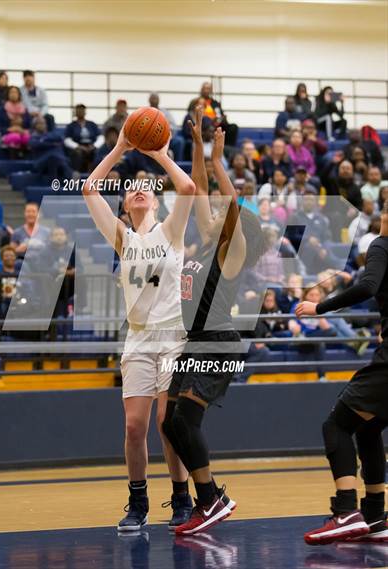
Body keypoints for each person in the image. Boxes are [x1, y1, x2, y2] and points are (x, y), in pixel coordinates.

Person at [82, 124, 196, 532]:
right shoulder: (122, 238)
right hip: (137, 336)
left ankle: (182, 497)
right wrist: (118, 148)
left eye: (146, 187)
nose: (139, 189)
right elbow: (89, 190)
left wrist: (160, 154)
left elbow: (188, 189)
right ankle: (138, 500)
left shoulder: (171, 232)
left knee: (168, 422)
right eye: (131, 189)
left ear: (156, 201)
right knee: (134, 427)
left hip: (171, 336)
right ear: (126, 205)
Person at [162, 111, 265, 535]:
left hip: (218, 342)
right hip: (194, 342)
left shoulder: (232, 252)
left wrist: (221, 164)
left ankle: (210, 500)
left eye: (226, 212)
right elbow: (199, 190)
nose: (217, 211)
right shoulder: (207, 243)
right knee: (170, 423)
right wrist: (199, 152)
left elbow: (226, 203)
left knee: (185, 418)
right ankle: (213, 499)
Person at [296, 199, 388, 545]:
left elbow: (367, 286)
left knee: (336, 424)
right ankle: (376, 517)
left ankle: (347, 510)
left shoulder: (381, 244)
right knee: (368, 428)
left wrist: (320, 306)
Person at [64, 104, 104, 173]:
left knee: (97, 153)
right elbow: (67, 140)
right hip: (78, 148)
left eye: (82, 110)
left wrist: (94, 146)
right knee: (77, 154)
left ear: (85, 112)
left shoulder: (92, 124)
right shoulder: (71, 126)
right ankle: (77, 173)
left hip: (91, 147)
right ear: (75, 112)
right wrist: (78, 146)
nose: (80, 112)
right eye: (78, 110)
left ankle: (95, 173)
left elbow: (101, 137)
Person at [199, 81, 238, 147]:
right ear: (201, 90)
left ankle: (228, 148)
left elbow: (221, 115)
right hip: (205, 125)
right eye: (205, 88)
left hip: (217, 124)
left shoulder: (215, 103)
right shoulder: (197, 102)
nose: (206, 91)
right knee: (209, 126)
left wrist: (223, 118)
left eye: (208, 89)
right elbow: (192, 115)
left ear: (211, 91)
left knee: (233, 127)